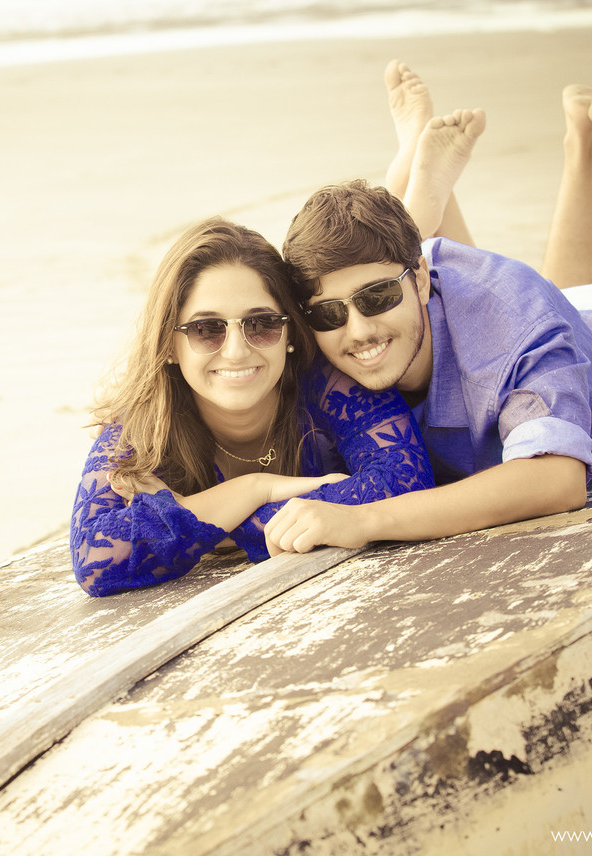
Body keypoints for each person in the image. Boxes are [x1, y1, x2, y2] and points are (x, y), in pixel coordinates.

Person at [266, 61, 592, 555]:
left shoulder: (511, 321)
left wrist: (364, 520)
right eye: (329, 314)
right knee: (534, 300)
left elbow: (557, 480)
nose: (355, 329)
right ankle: (580, 144)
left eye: (376, 297)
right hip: (561, 316)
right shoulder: (424, 304)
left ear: (421, 279)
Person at [70, 218, 433, 597]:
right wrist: (255, 489)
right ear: (169, 344)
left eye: (261, 324)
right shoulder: (145, 419)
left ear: (290, 332)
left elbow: (404, 485)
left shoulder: (330, 384)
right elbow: (95, 560)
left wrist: (190, 519)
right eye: (206, 329)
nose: (237, 350)